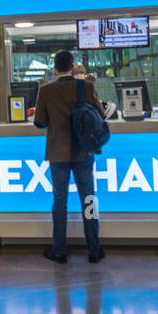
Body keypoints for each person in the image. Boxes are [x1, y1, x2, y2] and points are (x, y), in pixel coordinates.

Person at [33, 50, 107, 264]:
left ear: (55, 68)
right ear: (72, 66)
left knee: (59, 201)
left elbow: (39, 122)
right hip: (84, 151)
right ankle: (94, 249)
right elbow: (100, 116)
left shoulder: (45, 90)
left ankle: (59, 250)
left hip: (58, 153)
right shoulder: (87, 87)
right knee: (89, 199)